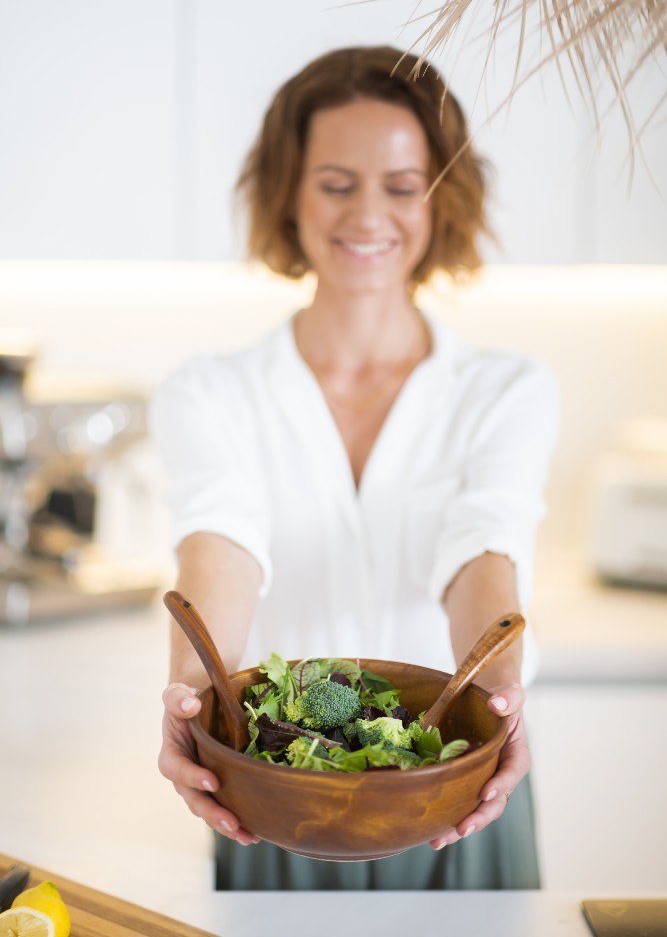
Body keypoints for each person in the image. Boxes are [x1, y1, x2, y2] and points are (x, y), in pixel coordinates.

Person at [150, 45, 558, 891]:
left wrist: (501, 696)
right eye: (336, 183)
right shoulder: (209, 391)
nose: (368, 213)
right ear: (288, 194)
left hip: (448, 788)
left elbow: (482, 543)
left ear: (440, 198)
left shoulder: (506, 388)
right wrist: (194, 696)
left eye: (402, 185)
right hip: (278, 795)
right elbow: (221, 536)